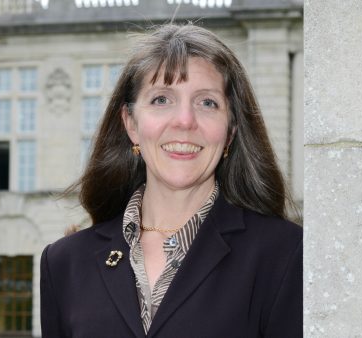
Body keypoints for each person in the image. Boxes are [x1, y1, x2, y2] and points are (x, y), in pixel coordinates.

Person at [41, 23, 302, 338]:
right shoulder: (64, 263)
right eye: (161, 100)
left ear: (230, 131)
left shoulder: (285, 254)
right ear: (131, 124)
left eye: (207, 103)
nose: (184, 121)